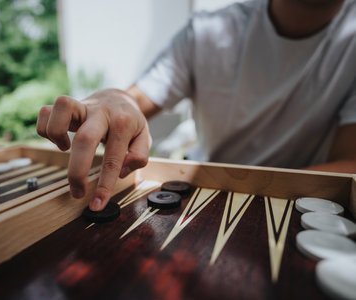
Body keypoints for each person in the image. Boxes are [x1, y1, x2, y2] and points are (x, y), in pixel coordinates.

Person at [37, 0, 356, 212]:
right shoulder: (207, 31)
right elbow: (133, 102)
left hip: (299, 203)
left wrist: (245, 193)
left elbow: (349, 163)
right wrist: (112, 101)